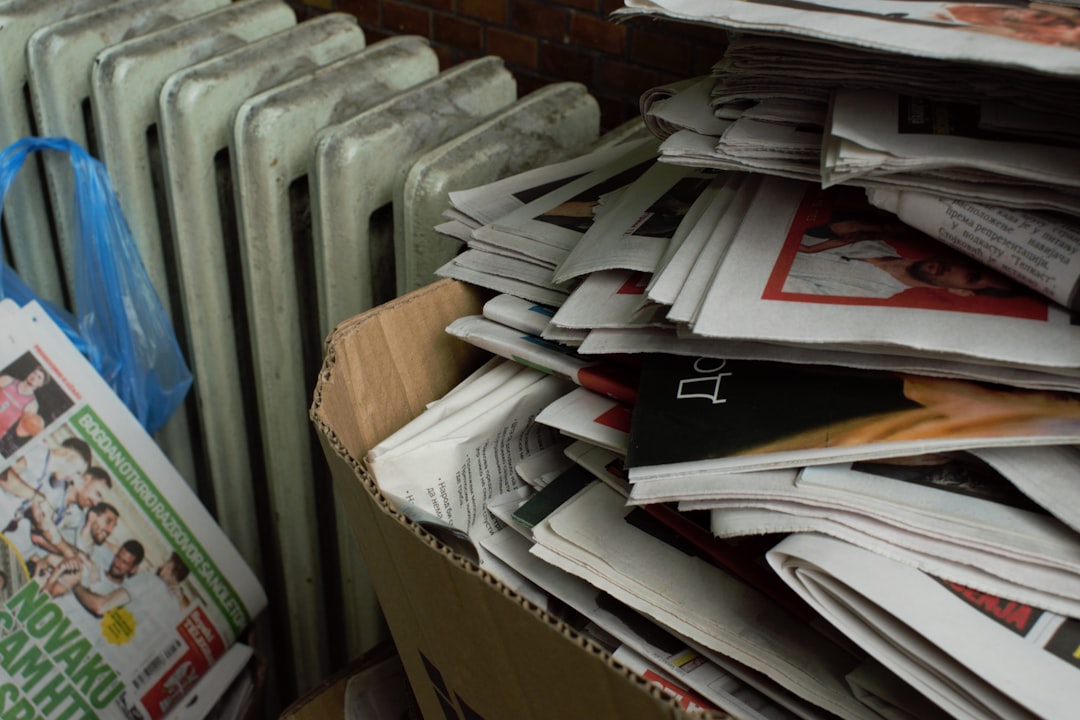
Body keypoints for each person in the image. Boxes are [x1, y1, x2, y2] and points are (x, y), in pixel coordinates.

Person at [783, 228, 1022, 300]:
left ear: (962, 291)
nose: (956, 268)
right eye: (968, 263)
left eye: (972, 276)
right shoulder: (876, 241)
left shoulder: (872, 294)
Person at [0, 436, 91, 531]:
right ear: (70, 457)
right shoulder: (40, 453)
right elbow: (3, 476)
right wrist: (39, 498)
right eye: (77, 472)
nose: (72, 479)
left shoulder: (50, 476)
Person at [0, 364, 48, 450]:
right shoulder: (7, 380)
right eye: (34, 373)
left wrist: (32, 429)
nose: (34, 377)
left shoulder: (32, 405)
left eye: (39, 377)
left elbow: (19, 432)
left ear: (41, 384)